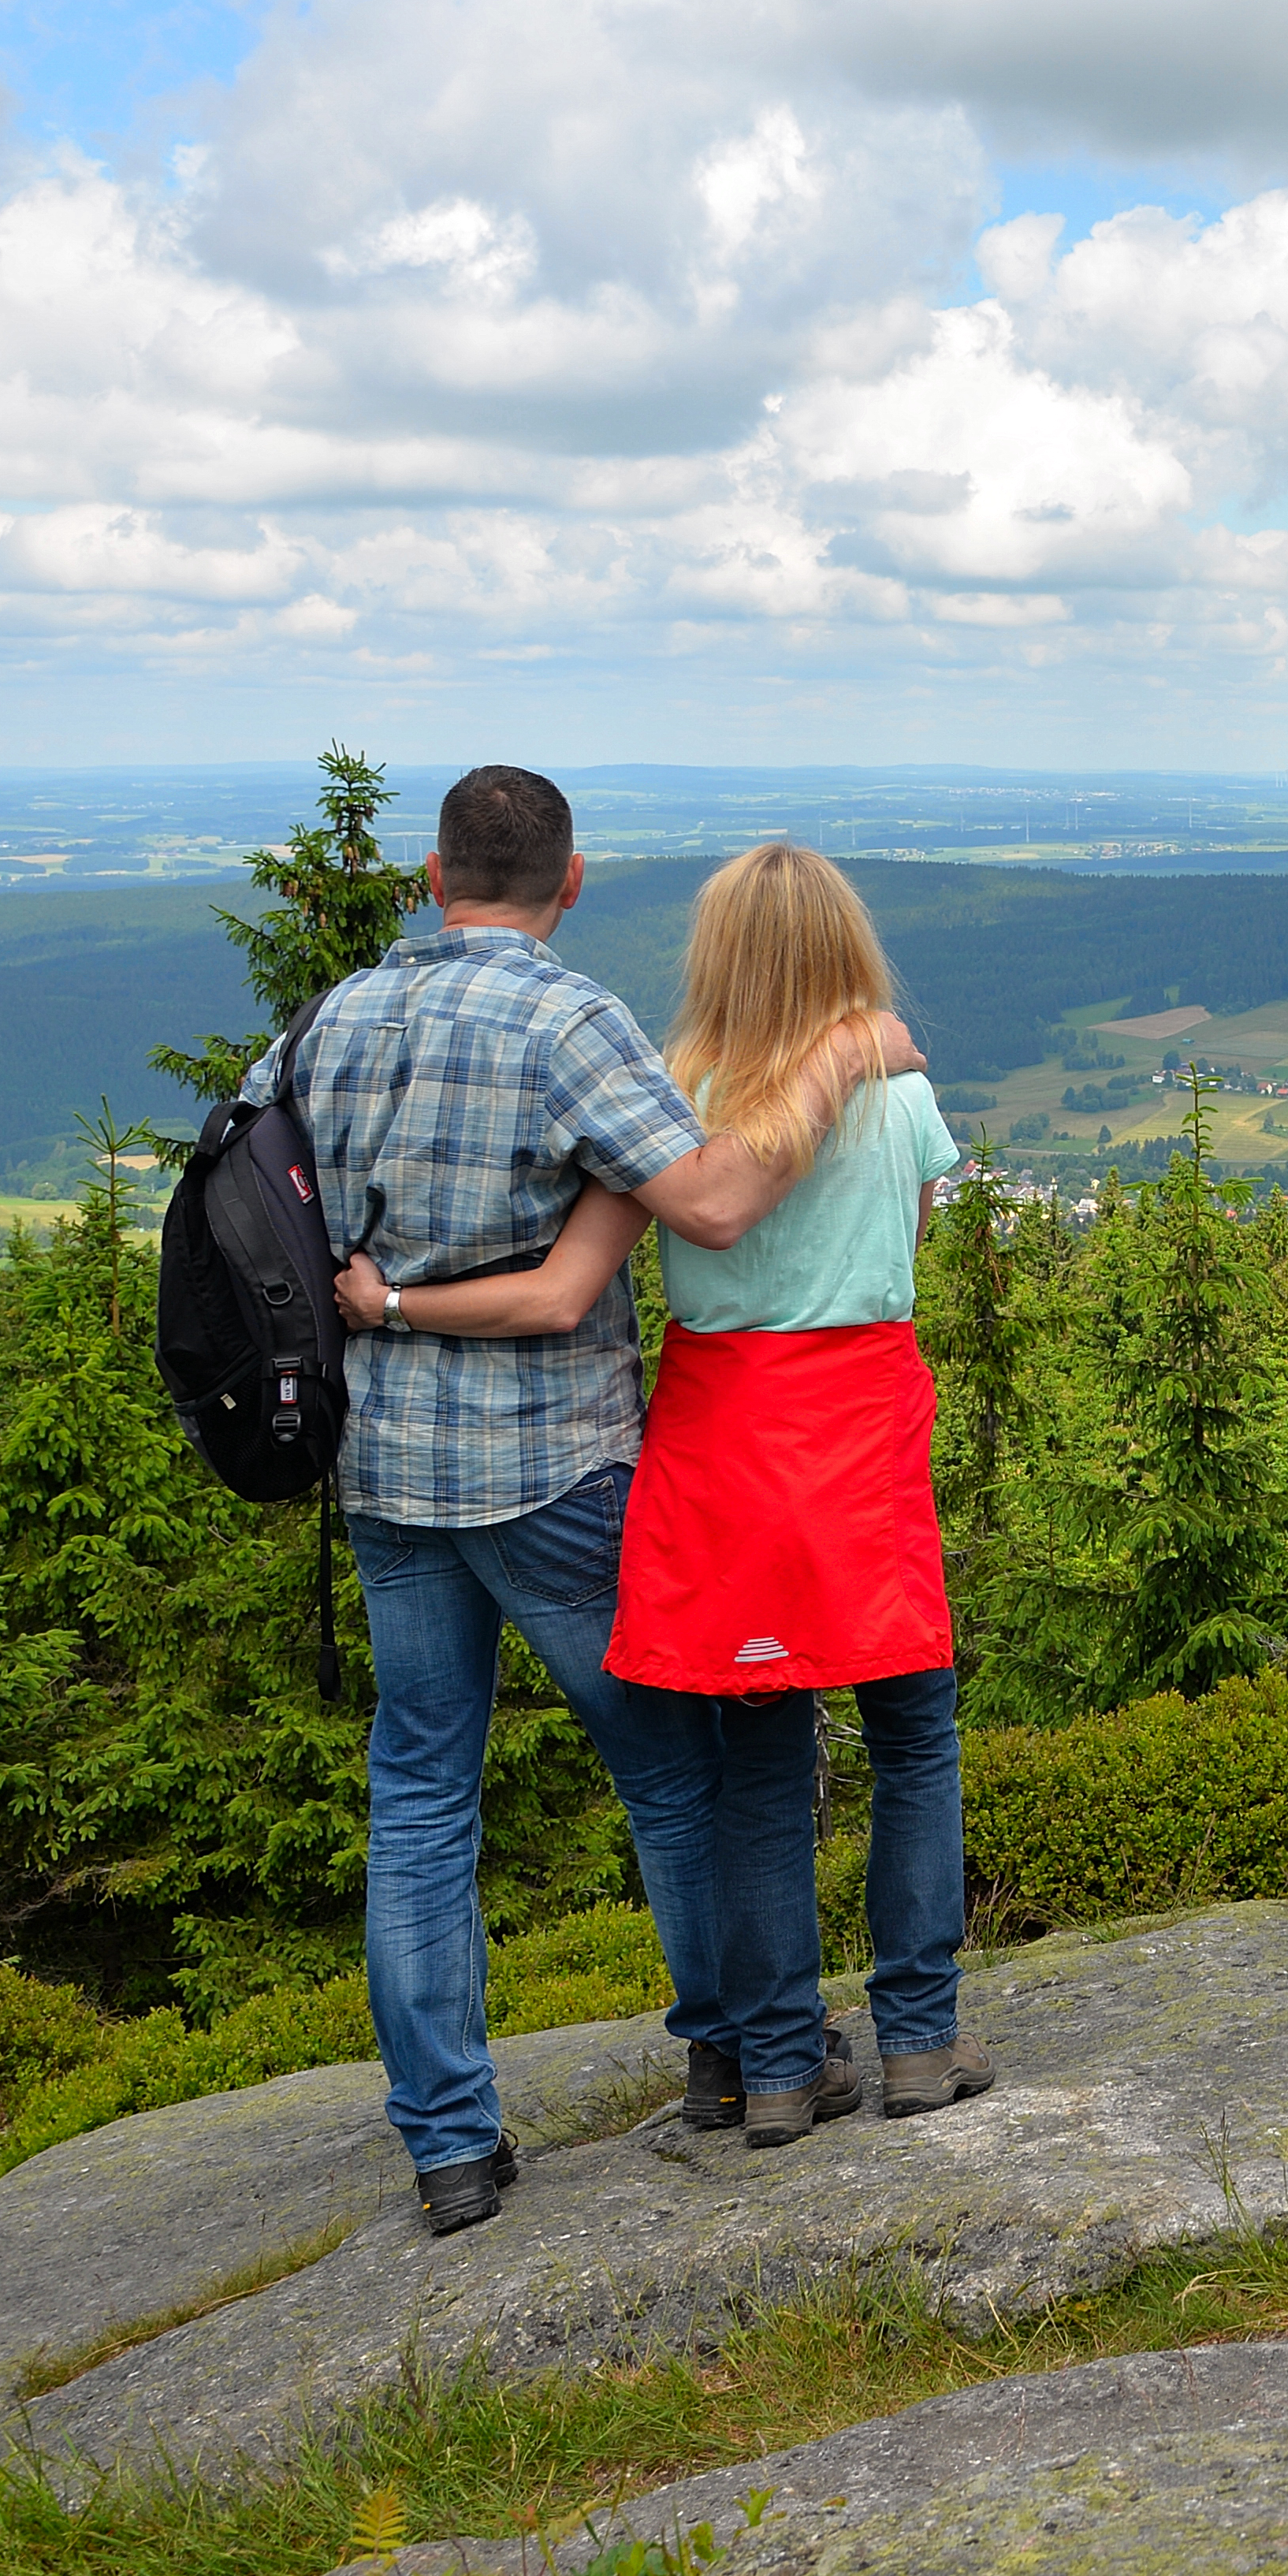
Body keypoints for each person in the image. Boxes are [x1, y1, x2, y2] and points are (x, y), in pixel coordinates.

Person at [292, 766, 907, 2233]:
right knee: (675, 1766)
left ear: (432, 879)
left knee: (422, 1794)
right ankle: (736, 2050)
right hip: (548, 1466)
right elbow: (706, 1202)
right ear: (572, 884)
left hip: (380, 1472)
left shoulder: (333, 1019)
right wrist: (838, 1058)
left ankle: (448, 2143)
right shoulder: (569, 1022)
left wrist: (382, 1309)